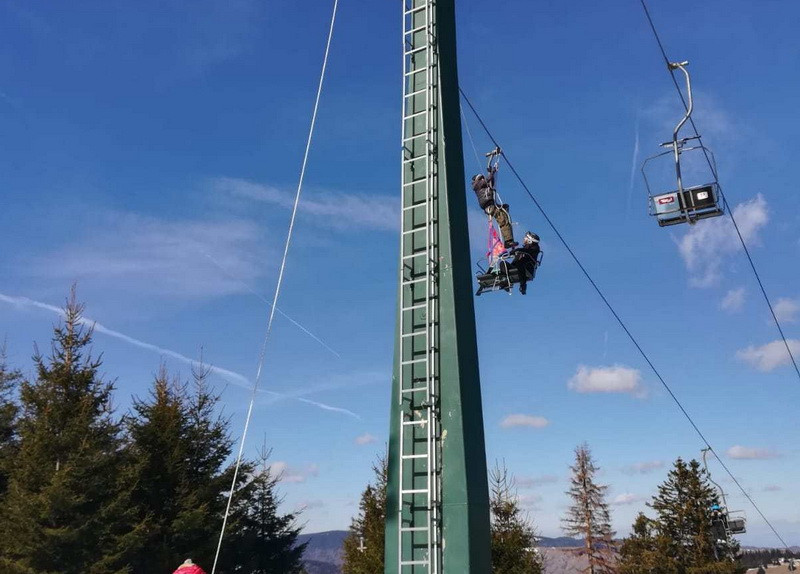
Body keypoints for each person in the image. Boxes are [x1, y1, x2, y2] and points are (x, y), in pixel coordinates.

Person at [471, 165, 516, 248]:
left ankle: (509, 239)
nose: (482, 179)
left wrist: (491, 172)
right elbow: (488, 180)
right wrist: (492, 172)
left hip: (492, 205)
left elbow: (491, 182)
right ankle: (508, 241)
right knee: (502, 219)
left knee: (505, 213)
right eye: (481, 178)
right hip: (489, 206)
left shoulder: (483, 185)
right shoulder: (477, 185)